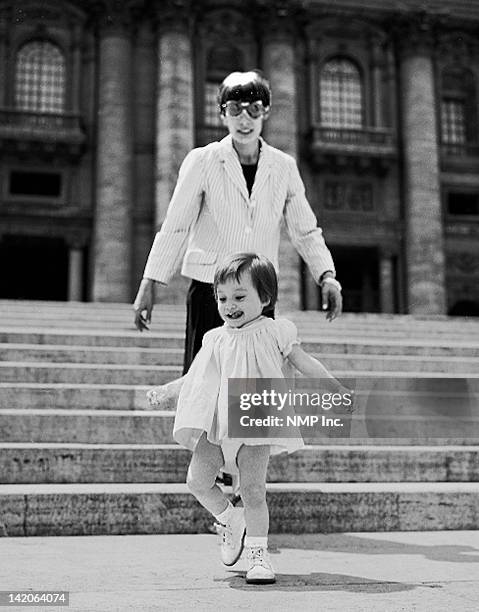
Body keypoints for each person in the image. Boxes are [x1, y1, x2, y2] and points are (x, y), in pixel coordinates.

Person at [146, 253, 353, 585]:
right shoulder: (214, 338)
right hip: (217, 420)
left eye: (240, 297)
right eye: (222, 297)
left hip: (255, 415)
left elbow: (304, 361)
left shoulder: (277, 331)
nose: (230, 305)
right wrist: (167, 390)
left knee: (254, 490)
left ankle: (259, 554)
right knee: (197, 482)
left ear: (266, 298)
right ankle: (229, 519)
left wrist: (334, 386)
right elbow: (196, 376)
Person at [133, 69, 342, 373]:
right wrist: (149, 282)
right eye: (234, 110)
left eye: (254, 110)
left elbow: (306, 231)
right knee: (205, 382)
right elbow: (176, 225)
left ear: (265, 113)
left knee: (252, 386)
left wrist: (327, 275)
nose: (244, 120)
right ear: (223, 115)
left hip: (259, 293)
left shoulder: (283, 166)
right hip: (211, 290)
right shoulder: (202, 160)